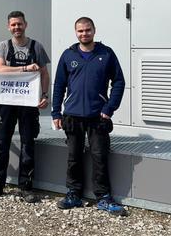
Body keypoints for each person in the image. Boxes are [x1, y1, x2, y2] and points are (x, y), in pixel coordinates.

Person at [51, 17, 127, 216]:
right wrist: (56, 112)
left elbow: (119, 82)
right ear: (76, 32)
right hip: (72, 116)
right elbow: (59, 85)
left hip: (98, 116)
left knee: (100, 156)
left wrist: (109, 108)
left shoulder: (106, 54)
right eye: (80, 31)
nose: (84, 33)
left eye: (87, 30)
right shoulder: (68, 55)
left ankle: (103, 198)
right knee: (73, 157)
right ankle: (73, 194)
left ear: (94, 30)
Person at [0, 11, 50, 203]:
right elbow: (0, 69)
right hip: (6, 103)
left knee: (28, 143)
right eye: (13, 25)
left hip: (28, 104)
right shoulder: (3, 46)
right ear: (8, 27)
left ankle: (26, 187)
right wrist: (25, 68)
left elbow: (45, 73)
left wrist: (45, 95)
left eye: (19, 24)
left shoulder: (36, 46)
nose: (16, 27)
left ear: (25, 25)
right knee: (1, 143)